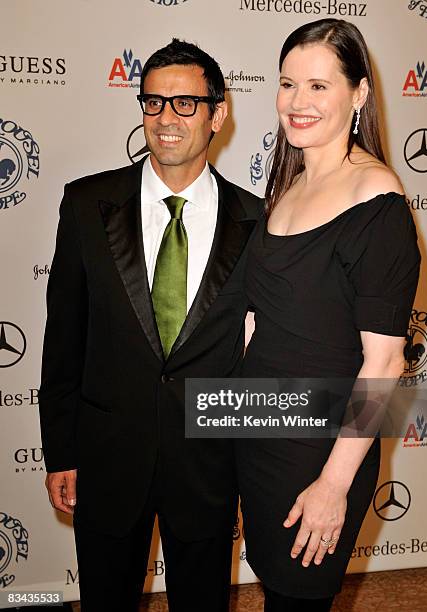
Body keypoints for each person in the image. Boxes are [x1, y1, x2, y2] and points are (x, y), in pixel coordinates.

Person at [39, 38, 262, 612]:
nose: (166, 118)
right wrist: (61, 451)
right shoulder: (88, 204)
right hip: (108, 457)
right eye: (154, 102)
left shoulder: (259, 220)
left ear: (219, 113)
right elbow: (64, 335)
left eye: (186, 103)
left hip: (209, 466)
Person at [235, 18, 420, 611]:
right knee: (275, 586)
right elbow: (261, 321)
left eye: (319, 86)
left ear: (359, 93)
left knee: (298, 597)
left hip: (319, 448)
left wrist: (335, 485)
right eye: (288, 84)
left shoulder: (378, 201)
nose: (297, 102)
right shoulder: (286, 187)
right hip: (260, 431)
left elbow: (385, 362)